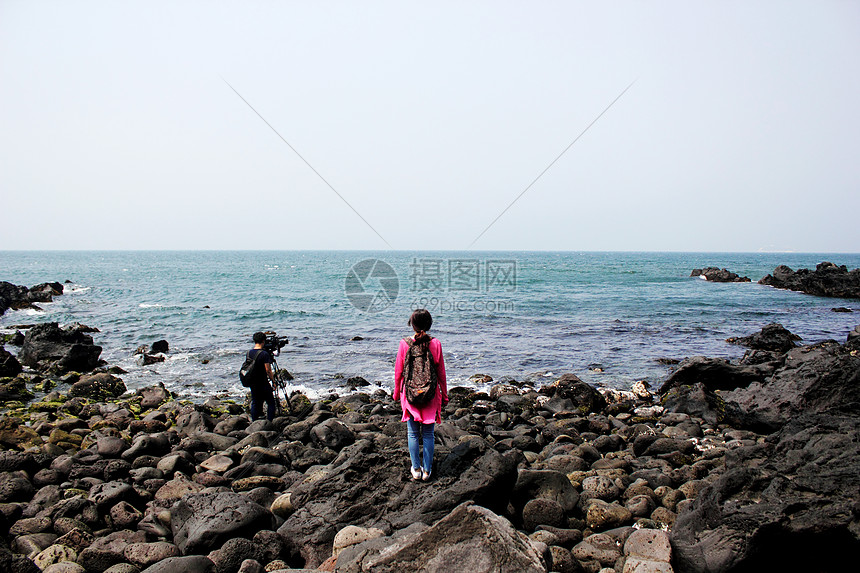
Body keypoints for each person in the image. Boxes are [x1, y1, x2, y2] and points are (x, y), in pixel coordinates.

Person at [393, 309, 448, 481]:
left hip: (410, 394)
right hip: (431, 394)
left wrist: (396, 393)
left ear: (412, 324)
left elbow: (398, 372)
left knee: (413, 433)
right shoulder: (436, 344)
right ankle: (427, 470)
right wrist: (444, 395)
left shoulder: (404, 343)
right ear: (429, 324)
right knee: (428, 434)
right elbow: (441, 373)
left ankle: (415, 469)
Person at [248, 331, 278, 421]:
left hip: (253, 381)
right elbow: (268, 370)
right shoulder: (264, 354)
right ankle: (269, 421)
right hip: (262, 382)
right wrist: (273, 381)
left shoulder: (249, 353)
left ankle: (254, 421)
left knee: (255, 402)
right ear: (263, 341)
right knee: (271, 402)